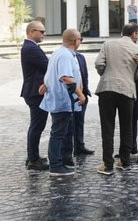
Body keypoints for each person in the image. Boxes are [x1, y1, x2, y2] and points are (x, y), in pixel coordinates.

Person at [94, 23, 138, 175]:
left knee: (107, 127)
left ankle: (108, 165)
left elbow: (99, 63)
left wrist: (105, 73)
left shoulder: (108, 43)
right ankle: (125, 162)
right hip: (127, 90)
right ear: (134, 34)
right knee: (127, 127)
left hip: (107, 89)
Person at [41, 29, 86, 177]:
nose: (81, 42)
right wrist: (81, 95)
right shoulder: (66, 55)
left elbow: (50, 75)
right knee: (58, 134)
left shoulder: (58, 53)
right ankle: (55, 166)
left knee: (61, 132)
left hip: (59, 99)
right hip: (62, 100)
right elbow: (65, 77)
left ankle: (61, 161)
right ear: (76, 41)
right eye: (81, 39)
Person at [21, 21, 49, 171]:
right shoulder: (31, 48)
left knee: (36, 125)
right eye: (41, 31)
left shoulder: (31, 47)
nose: (44, 34)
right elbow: (47, 65)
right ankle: (33, 160)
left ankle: (33, 156)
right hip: (35, 92)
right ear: (31, 32)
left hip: (34, 91)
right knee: (37, 126)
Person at [73, 49, 94, 156]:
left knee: (80, 121)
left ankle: (79, 146)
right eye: (79, 39)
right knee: (70, 123)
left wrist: (85, 91)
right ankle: (69, 149)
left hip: (83, 94)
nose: (80, 41)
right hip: (71, 96)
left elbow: (84, 75)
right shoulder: (65, 57)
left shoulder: (81, 57)